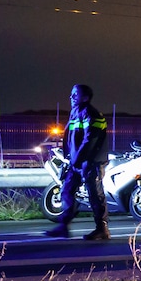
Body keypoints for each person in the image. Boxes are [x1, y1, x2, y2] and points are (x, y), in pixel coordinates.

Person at [44, 84, 112, 240]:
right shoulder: (75, 112)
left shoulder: (92, 114)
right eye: (71, 94)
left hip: (91, 162)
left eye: (75, 95)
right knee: (66, 190)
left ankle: (102, 229)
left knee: (95, 195)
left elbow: (89, 140)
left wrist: (77, 159)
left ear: (85, 98)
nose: (71, 97)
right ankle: (63, 226)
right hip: (76, 162)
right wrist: (70, 158)